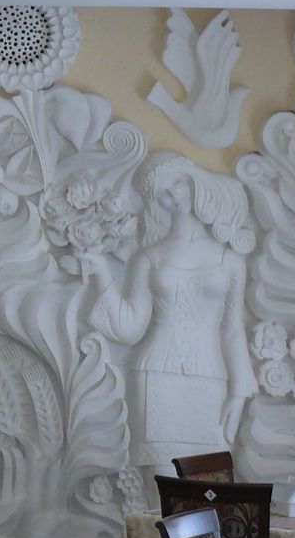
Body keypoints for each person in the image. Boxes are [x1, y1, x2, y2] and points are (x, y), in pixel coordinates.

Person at [95, 152, 256, 472]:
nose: (173, 196)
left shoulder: (230, 261)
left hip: (212, 378)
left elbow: (233, 329)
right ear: (156, 204)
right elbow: (131, 327)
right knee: (160, 481)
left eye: (177, 184)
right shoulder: (148, 257)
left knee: (209, 484)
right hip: (156, 376)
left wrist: (239, 393)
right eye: (162, 194)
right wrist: (99, 270)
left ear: (194, 181)